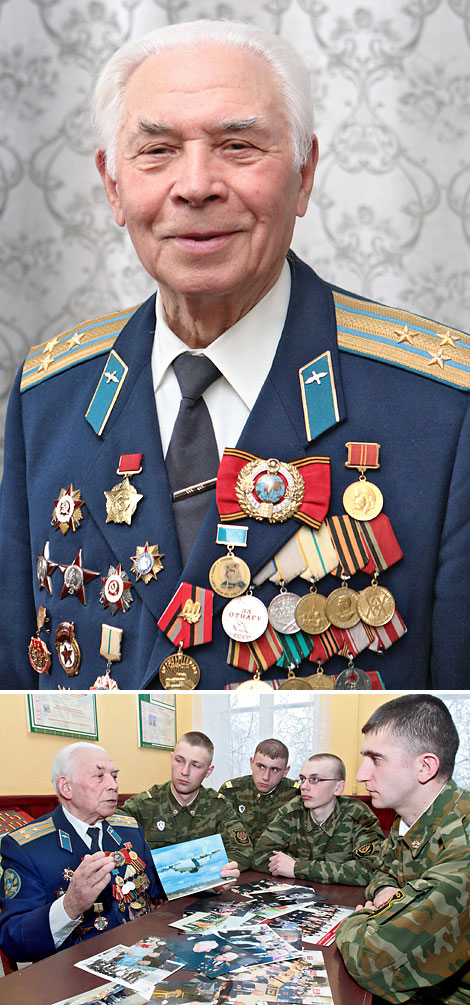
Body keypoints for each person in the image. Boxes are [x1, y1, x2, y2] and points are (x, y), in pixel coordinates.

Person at [0, 19, 468, 692]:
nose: (195, 185)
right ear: (112, 186)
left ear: (304, 176)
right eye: (156, 150)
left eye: (238, 146)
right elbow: (18, 706)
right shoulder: (51, 397)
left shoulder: (441, 410)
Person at [336, 694, 470, 1003]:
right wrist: (386, 894)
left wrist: (356, 921)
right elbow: (382, 871)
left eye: (377, 759)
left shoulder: (463, 836)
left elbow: (372, 961)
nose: (360, 775)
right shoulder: (407, 820)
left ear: (425, 767)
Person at [0, 742, 162, 963]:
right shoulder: (26, 847)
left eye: (114, 776)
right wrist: (70, 906)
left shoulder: (128, 829)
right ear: (66, 787)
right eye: (99, 776)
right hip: (73, 971)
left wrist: (209, 875)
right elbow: (14, 942)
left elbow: (156, 884)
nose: (113, 785)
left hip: (140, 953)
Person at [121, 731, 252, 873]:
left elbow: (242, 851)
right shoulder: (143, 805)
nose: (185, 771)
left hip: (206, 892)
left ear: (208, 771)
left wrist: (220, 872)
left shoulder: (218, 806)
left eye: (196, 765)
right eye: (179, 760)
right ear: (171, 759)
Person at [252, 752, 383, 885]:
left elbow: (372, 869)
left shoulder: (358, 814)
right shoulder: (292, 810)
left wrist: (296, 867)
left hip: (342, 899)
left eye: (315, 780)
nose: (304, 786)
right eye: (303, 779)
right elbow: (260, 857)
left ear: (338, 787)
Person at [218, 738, 299, 845]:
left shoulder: (296, 794)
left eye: (274, 770)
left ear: (285, 771)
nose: (266, 777)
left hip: (277, 859)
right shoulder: (231, 791)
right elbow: (220, 837)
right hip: (238, 858)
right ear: (252, 763)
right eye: (261, 766)